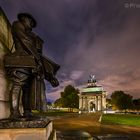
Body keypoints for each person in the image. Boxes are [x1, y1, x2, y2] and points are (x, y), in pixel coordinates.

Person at [5, 13, 59, 119]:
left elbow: (36, 49)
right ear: (24, 19)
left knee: (28, 88)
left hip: (30, 62)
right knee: (18, 83)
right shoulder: (17, 24)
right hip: (21, 59)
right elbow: (25, 42)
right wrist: (38, 59)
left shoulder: (30, 33)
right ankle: (14, 112)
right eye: (31, 22)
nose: (31, 25)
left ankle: (27, 111)